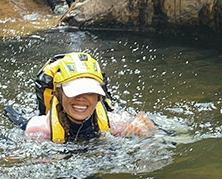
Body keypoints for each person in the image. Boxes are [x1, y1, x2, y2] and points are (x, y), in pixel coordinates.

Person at [24, 52, 157, 143]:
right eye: (74, 91)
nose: (81, 98)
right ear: (58, 93)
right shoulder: (38, 131)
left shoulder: (117, 123)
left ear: (99, 96)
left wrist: (149, 133)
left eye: (90, 92)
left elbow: (171, 137)